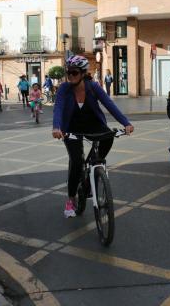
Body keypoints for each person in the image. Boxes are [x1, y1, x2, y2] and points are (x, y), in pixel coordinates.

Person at [52, 56, 134, 218]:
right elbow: (58, 108)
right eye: (68, 73)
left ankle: (93, 169)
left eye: (74, 73)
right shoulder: (64, 89)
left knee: (108, 136)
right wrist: (56, 127)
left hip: (93, 124)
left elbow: (109, 104)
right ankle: (71, 198)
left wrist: (126, 123)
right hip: (72, 128)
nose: (70, 76)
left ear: (83, 73)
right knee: (76, 162)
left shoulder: (93, 87)